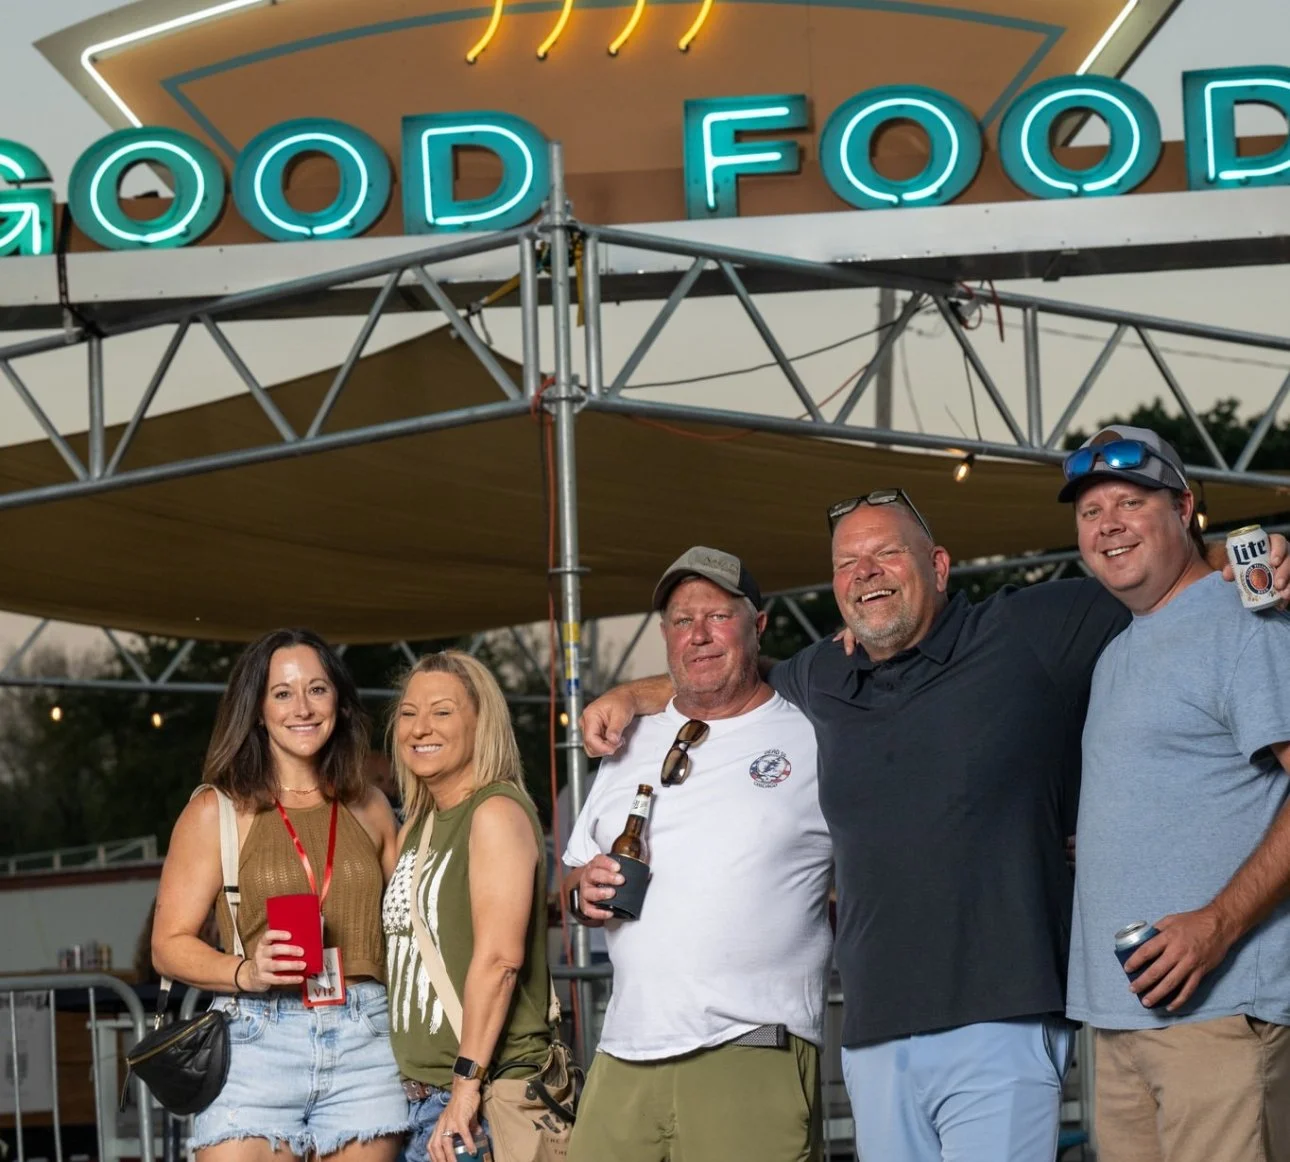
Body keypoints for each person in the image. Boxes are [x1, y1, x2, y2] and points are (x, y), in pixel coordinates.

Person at [580, 492, 1290, 1162]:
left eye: (886, 555)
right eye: (848, 566)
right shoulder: (822, 677)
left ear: (938, 566)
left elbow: (1159, 580)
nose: (866, 575)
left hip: (1003, 1019)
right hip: (873, 1034)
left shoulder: (1023, 630)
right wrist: (631, 695)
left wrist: (1248, 557)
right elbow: (730, 675)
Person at [1061, 426, 1290, 1162]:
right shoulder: (1118, 650)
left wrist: (1218, 925)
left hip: (1222, 1016)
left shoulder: (1244, 624)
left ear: (1186, 508)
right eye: (1091, 511)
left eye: (1131, 501)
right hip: (1122, 1024)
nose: (1108, 524)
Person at [562, 547, 832, 1162]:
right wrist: (584, 888)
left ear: (757, 625)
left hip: (753, 1045)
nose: (700, 635)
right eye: (683, 621)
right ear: (665, 635)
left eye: (718, 616)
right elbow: (571, 879)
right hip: (626, 1051)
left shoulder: (814, 731)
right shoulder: (629, 737)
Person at [152, 628, 406, 1162]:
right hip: (257, 1039)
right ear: (257, 709)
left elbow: (410, 928)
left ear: (338, 699)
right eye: (283, 692)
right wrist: (245, 971)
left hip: (366, 1039)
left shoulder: (371, 806)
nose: (303, 708)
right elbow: (168, 945)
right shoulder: (217, 812)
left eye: (317, 689)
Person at [382, 651, 555, 1162]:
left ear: (482, 723)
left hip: (480, 1099)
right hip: (418, 1101)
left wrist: (464, 1090)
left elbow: (501, 962)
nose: (420, 727)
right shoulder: (418, 824)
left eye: (442, 711)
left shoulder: (495, 812)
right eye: (409, 713)